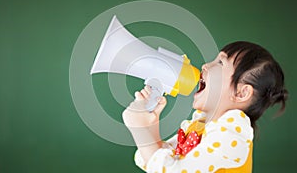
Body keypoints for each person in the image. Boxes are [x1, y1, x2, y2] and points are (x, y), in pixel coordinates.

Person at [122, 41, 288, 173]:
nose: (205, 66)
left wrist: (141, 132)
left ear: (241, 93)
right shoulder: (200, 124)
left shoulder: (234, 131)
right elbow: (154, 161)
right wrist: (150, 129)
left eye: (221, 63)